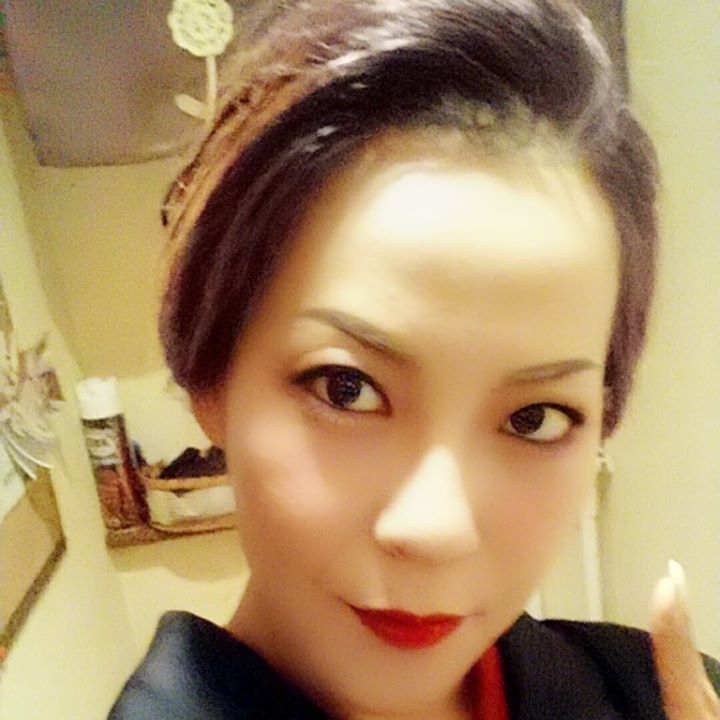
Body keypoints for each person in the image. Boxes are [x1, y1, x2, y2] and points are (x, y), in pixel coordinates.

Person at [110, 1, 720, 718]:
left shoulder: (653, 694)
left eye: (534, 418)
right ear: (208, 376)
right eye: (347, 389)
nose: (436, 530)